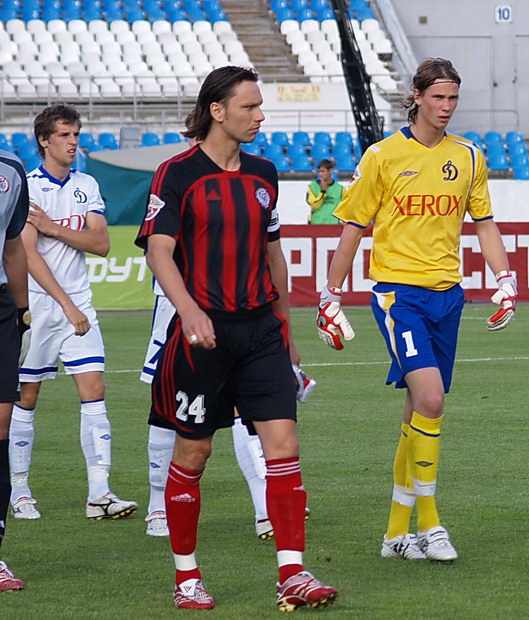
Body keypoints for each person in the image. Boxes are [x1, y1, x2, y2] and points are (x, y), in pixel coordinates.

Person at [135, 65, 337, 612]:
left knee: (285, 447)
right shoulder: (176, 174)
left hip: (262, 334)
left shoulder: (265, 173)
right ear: (217, 111)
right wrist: (189, 311)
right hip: (203, 339)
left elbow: (274, 258)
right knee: (194, 455)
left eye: (260, 105)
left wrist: (287, 331)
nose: (260, 116)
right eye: (249, 107)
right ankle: (186, 576)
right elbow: (158, 251)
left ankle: (292, 572)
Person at [317, 57, 517, 563]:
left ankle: (393, 535)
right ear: (417, 97)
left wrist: (505, 279)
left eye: (453, 98)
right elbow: (353, 229)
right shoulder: (382, 156)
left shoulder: (469, 156)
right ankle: (431, 524)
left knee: (417, 411)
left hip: (448, 296)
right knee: (430, 399)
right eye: (438, 98)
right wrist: (330, 294)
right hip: (397, 295)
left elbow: (485, 223)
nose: (446, 107)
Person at [9, 104, 137, 522]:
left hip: (78, 303)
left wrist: (54, 228)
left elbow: (101, 244)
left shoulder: (86, 184)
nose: (73, 142)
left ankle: (99, 492)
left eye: (76, 134)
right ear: (44, 140)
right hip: (38, 307)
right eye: (64, 135)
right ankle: (20, 489)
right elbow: (27, 255)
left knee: (94, 389)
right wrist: (64, 303)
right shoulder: (26, 187)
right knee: (26, 398)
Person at [141, 284, 315, 539]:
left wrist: (287, 337)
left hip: (246, 307)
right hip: (184, 302)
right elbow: (158, 251)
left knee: (247, 403)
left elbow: (273, 259)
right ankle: (158, 508)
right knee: (171, 403)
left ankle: (264, 507)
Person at [0, 149, 30, 591]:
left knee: (0, 430)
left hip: (0, 307)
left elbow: (11, 244)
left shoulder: (10, 170)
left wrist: (22, 316)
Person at [305, 158, 343, 224]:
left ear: (330, 171)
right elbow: (314, 206)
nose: (320, 174)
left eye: (322, 171)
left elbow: (345, 208)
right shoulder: (312, 187)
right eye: (319, 171)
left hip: (333, 226)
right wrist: (322, 192)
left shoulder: (340, 189)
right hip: (316, 224)